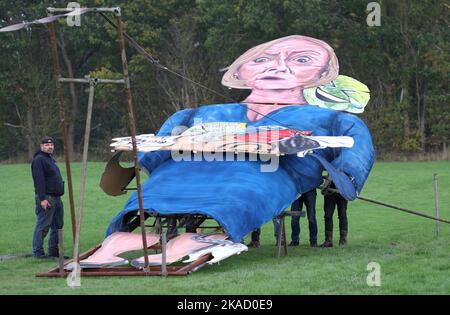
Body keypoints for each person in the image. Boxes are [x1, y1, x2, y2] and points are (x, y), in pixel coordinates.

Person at [106, 35, 375, 243]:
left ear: (323, 74)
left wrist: (345, 176)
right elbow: (159, 147)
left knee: (237, 203)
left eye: (301, 59)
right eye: (261, 59)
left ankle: (211, 233)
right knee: (149, 203)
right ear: (239, 71)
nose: (277, 66)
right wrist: (139, 162)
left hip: (264, 178)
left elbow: (356, 140)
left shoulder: (326, 118)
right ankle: (133, 235)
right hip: (179, 178)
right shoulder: (196, 115)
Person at [31, 137, 65, 258]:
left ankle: (53, 252)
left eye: (51, 145)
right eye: (46, 145)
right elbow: (39, 180)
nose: (49, 147)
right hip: (47, 197)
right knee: (43, 225)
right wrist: (42, 199)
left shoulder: (49, 159)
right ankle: (38, 253)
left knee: (58, 226)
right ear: (41, 147)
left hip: (57, 197)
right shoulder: (39, 159)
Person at [320, 181, 348, 247]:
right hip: (329, 191)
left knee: (342, 215)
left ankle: (343, 240)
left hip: (342, 190)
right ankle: (328, 240)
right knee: (328, 216)